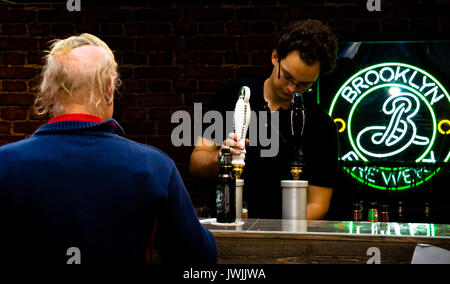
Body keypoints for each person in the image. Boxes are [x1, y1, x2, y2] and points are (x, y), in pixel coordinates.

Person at [0, 34, 217, 264]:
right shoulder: (154, 167)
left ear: (48, 92)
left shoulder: (6, 163)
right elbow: (200, 257)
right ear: (110, 88)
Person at [189, 19, 339, 220]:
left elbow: (317, 204)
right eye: (287, 77)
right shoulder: (232, 95)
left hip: (282, 241)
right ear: (275, 57)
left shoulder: (321, 125)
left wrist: (274, 236)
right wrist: (221, 157)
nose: (291, 89)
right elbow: (196, 165)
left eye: (304, 84)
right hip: (227, 228)